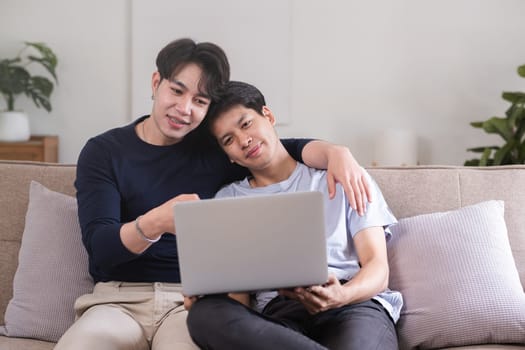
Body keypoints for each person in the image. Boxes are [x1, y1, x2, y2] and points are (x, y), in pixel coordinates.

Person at [54, 39, 372, 350]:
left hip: (190, 304)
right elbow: (100, 248)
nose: (184, 109)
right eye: (176, 91)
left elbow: (278, 150)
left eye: (200, 101)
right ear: (156, 83)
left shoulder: (215, 151)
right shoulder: (104, 152)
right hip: (118, 301)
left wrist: (335, 153)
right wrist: (155, 223)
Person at [185, 81, 403, 350]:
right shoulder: (228, 200)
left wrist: (341, 295)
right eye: (229, 140)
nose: (244, 141)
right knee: (205, 314)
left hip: (353, 306)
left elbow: (378, 269)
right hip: (279, 321)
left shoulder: (341, 175)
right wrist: (210, 295)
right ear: (227, 155)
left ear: (268, 116)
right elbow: (239, 298)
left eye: (246, 124)